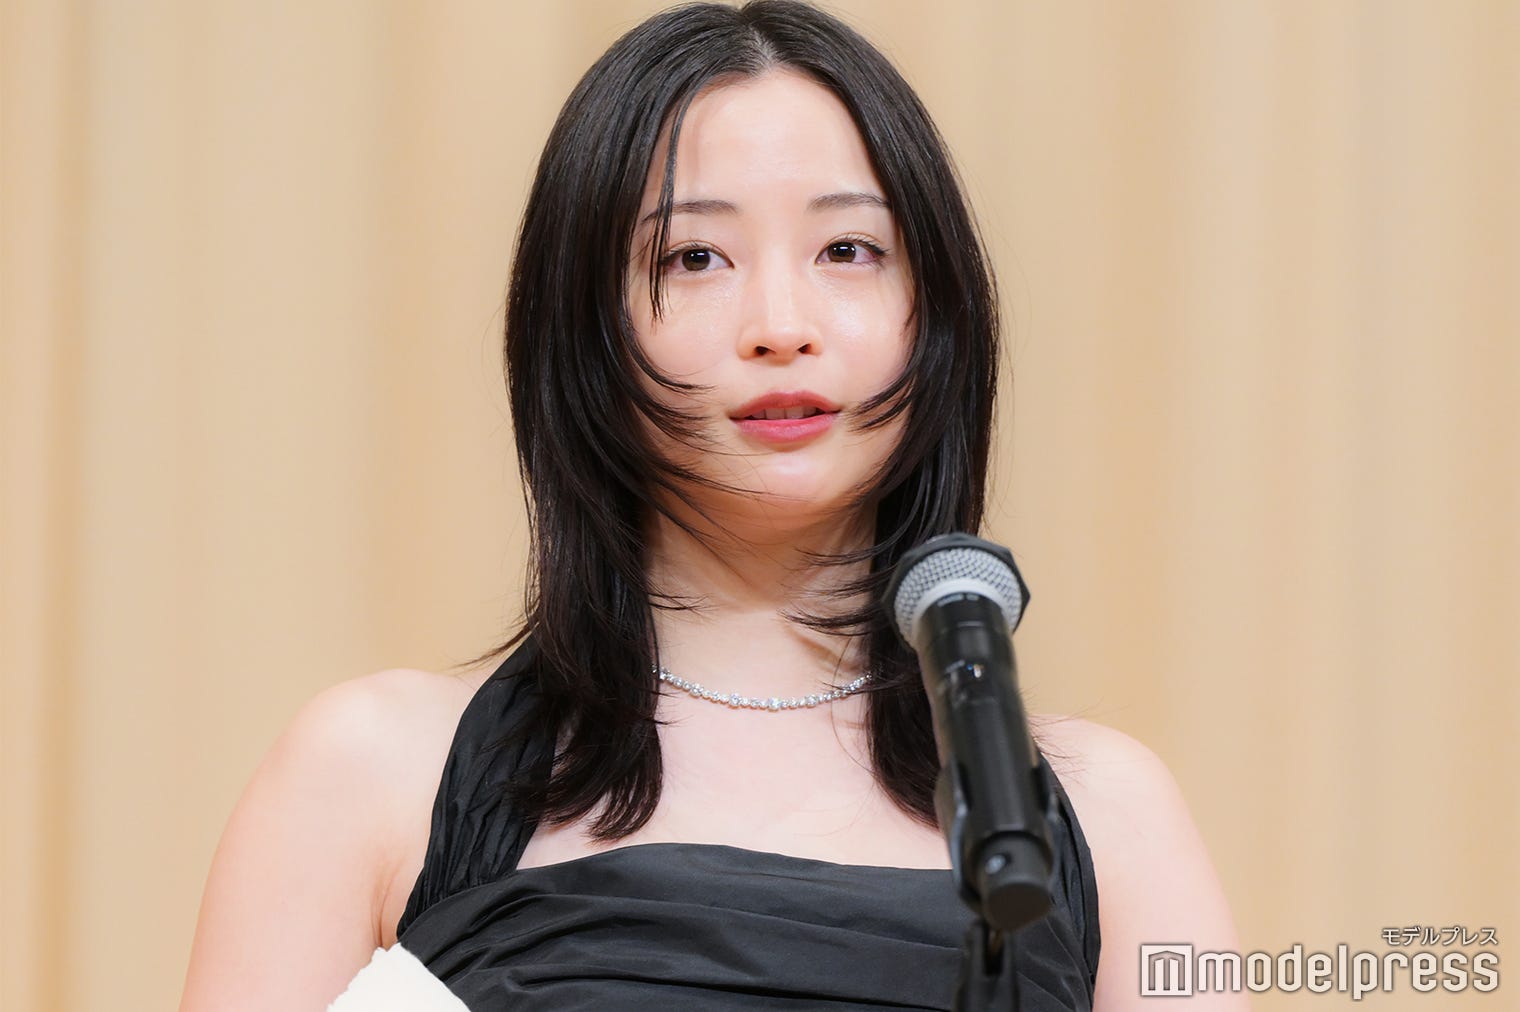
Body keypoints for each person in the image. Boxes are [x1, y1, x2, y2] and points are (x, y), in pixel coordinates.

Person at [180, 2, 1243, 1009]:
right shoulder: (371, 776)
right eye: (694, 257)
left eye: (847, 251)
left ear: (939, 316)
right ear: (582, 332)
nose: (780, 324)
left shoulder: (1111, 815)